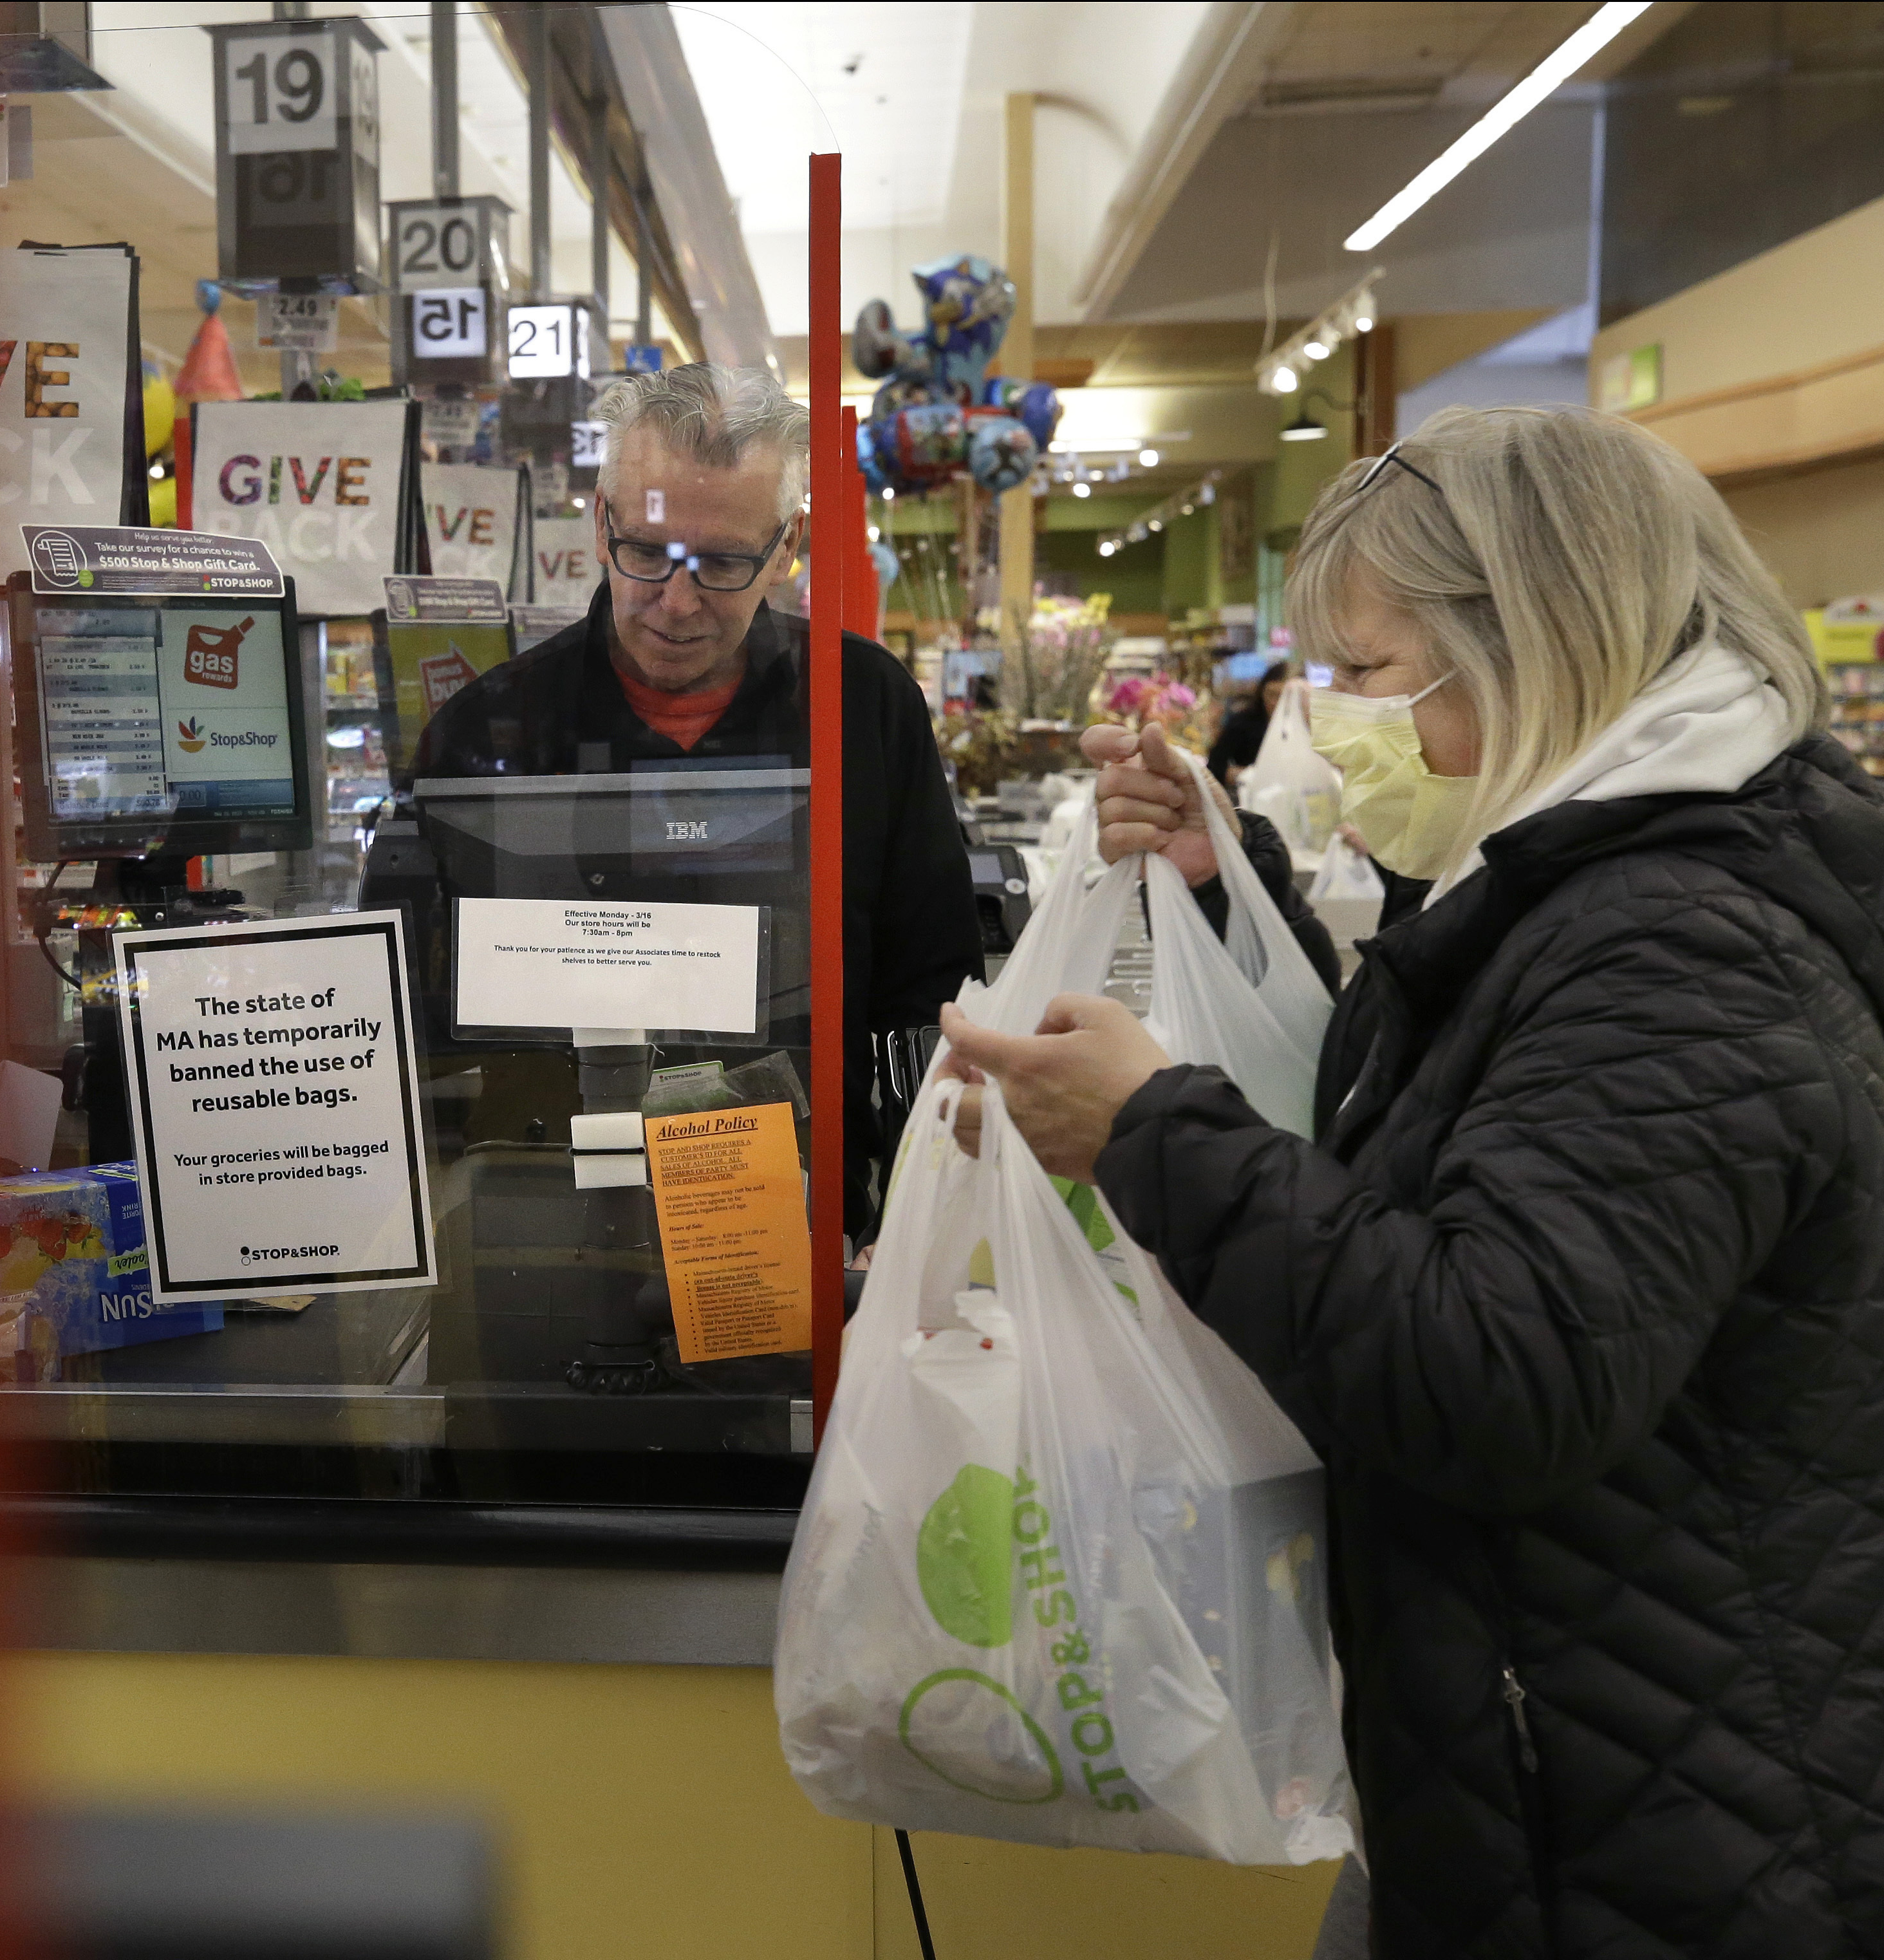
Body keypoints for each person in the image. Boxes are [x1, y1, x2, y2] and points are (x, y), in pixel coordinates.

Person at [940, 404, 1884, 1957]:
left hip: (1661, 1824)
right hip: (1571, 1755)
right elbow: (1433, 1131)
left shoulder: (1678, 941)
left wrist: (1149, 1134)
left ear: (1532, 640)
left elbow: (1493, 1362)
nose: (1329, 722)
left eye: (1368, 675)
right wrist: (1223, 891)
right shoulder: (1578, 878)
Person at [416, 361, 984, 1229]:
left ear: (787, 547)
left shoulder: (862, 707)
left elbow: (933, 998)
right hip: (546, 1227)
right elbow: (426, 1033)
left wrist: (916, 1221)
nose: (677, 604)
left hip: (803, 1225)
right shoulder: (490, 730)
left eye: (721, 563)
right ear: (603, 527)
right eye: (648, 552)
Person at [1206, 659, 1290, 787]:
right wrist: (1248, 775)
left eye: (1283, 696)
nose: (1276, 703)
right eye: (1271, 694)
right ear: (1261, 692)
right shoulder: (1242, 723)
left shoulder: (1309, 728)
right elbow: (1214, 767)